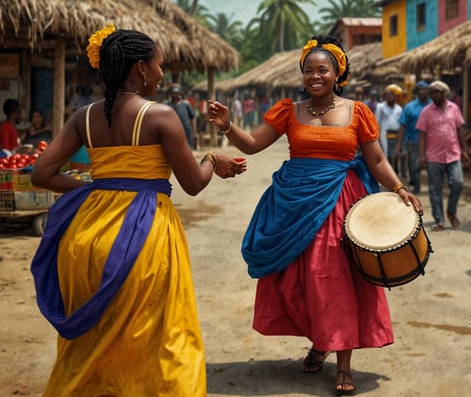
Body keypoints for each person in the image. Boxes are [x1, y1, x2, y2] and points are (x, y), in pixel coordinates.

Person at [29, 24, 247, 396]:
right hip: (143, 237)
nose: (163, 74)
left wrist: (94, 189)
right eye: (159, 65)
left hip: (85, 238)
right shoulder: (161, 116)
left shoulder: (83, 117)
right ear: (141, 69)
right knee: (157, 340)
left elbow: (41, 173)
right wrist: (211, 158)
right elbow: (194, 183)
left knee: (94, 343)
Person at [207, 35, 423, 396]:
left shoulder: (359, 111)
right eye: (308, 70)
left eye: (323, 70)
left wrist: (399, 188)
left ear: (338, 73)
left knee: (339, 278)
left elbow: (377, 160)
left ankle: (343, 363)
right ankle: (320, 342)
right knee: (302, 280)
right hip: (294, 204)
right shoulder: (288, 109)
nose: (314, 76)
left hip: (341, 200)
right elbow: (253, 144)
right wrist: (227, 125)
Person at [417, 81, 471, 231]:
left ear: (444, 93)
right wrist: (421, 155)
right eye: (432, 93)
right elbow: (421, 135)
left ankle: (451, 210)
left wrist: (465, 150)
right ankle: (439, 219)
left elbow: (460, 129)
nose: (433, 95)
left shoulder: (454, 108)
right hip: (433, 156)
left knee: (458, 183)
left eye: (436, 92)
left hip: (453, 154)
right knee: (435, 189)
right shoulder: (426, 112)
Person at [396, 80, 430, 194]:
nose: (421, 92)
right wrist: (399, 144)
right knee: (414, 166)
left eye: (424, 89)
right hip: (413, 141)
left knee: (432, 166)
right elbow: (402, 126)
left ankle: (434, 187)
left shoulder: (433, 106)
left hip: (431, 142)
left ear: (428, 91)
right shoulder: (409, 107)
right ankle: (416, 185)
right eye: (419, 90)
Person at [375, 84, 403, 173]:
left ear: (395, 96)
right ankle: (385, 174)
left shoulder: (399, 109)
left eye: (392, 94)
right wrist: (377, 136)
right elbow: (376, 121)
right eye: (387, 94)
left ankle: (394, 173)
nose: (389, 96)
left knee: (394, 155)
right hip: (384, 133)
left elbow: (400, 123)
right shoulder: (380, 107)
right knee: (385, 154)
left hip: (395, 134)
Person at [166, 84, 196, 149]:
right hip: (172, 132)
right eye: (173, 93)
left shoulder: (186, 104)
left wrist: (194, 131)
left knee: (187, 148)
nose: (174, 94)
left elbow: (192, 117)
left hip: (186, 131)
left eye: (176, 92)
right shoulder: (167, 105)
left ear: (180, 93)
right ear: (170, 94)